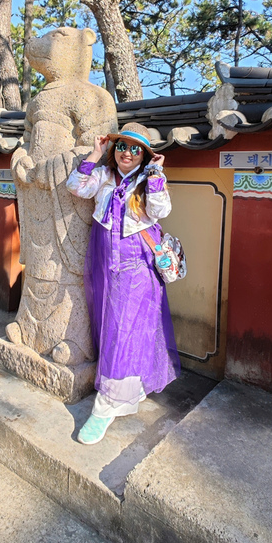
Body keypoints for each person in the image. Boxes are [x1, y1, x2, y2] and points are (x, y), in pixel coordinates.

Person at [66, 122, 181, 444]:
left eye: (134, 148)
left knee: (124, 328)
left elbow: (161, 210)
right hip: (104, 259)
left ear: (144, 155)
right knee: (111, 325)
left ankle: (104, 407)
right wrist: (96, 152)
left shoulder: (149, 179)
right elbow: (76, 186)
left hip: (137, 262)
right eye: (121, 146)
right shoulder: (103, 176)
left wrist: (156, 176)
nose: (126, 153)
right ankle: (128, 392)